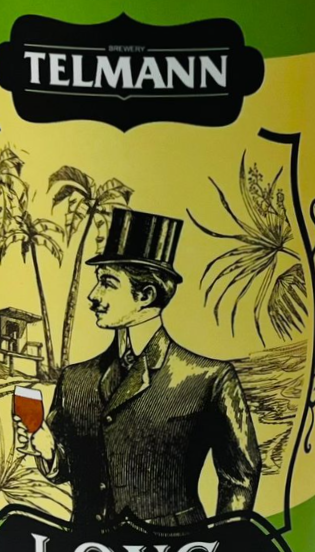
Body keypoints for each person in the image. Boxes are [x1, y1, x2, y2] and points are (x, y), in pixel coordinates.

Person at [14, 208, 261, 530]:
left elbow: (239, 476)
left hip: (178, 548)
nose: (93, 295)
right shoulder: (75, 380)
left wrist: (225, 543)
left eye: (107, 282)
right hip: (83, 548)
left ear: (145, 295)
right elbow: (70, 468)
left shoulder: (207, 379)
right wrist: (47, 451)